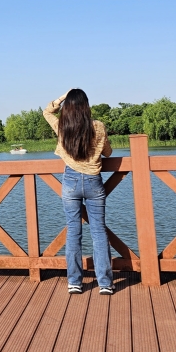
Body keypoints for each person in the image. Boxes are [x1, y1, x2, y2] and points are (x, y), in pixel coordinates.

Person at [43, 89, 114, 295]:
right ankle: (105, 284)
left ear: (68, 107)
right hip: (94, 182)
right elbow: (108, 153)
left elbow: (47, 112)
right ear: (86, 106)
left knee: (74, 231)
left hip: (70, 182)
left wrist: (61, 97)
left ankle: (75, 282)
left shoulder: (63, 127)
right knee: (99, 231)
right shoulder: (98, 127)